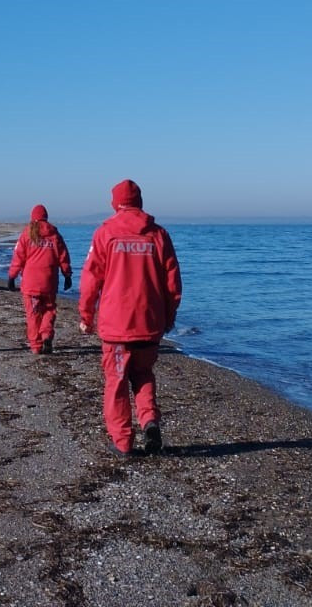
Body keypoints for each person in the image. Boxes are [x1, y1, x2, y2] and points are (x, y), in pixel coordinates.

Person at [78, 179, 182, 457]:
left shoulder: (105, 233)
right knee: (143, 374)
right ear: (139, 202)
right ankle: (149, 421)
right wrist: (168, 318)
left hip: (117, 327)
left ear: (115, 203)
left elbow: (90, 279)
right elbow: (173, 284)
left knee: (117, 381)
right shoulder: (158, 235)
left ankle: (123, 441)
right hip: (148, 323)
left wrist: (86, 316)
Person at [7, 204, 72, 355]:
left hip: (31, 284)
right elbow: (63, 257)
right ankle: (46, 335)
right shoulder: (54, 234)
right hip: (49, 282)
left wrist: (12, 276)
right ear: (46, 217)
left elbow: (18, 257)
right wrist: (67, 275)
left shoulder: (27, 233)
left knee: (33, 315)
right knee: (49, 309)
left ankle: (36, 346)